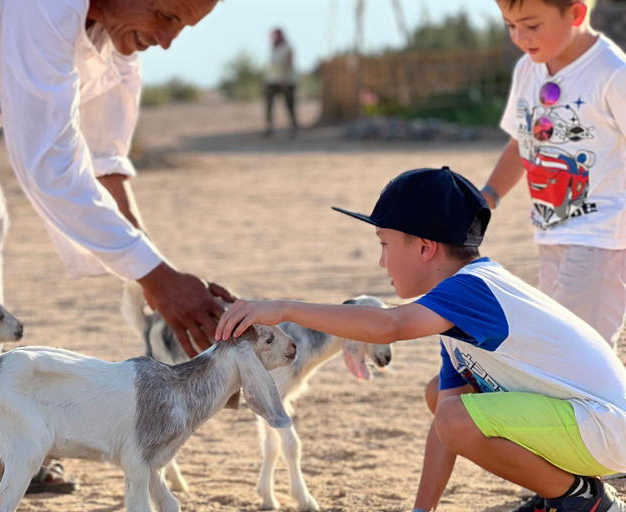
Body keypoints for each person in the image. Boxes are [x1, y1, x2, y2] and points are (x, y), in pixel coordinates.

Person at [0, 0, 231, 509]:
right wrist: (160, 280)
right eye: (166, 15)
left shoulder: (119, 44)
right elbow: (50, 164)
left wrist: (157, 281)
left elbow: (104, 167)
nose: (167, 40)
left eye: (182, 28)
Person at [215, 166, 626, 512]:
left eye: (384, 244)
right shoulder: (454, 310)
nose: (380, 260)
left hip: (605, 430)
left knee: (454, 415)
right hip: (588, 427)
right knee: (442, 398)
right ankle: (562, 492)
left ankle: (580, 499)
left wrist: (284, 309)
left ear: (426, 248)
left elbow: (388, 326)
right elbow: (444, 422)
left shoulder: (473, 289)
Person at [481, 0, 626, 351]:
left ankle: (603, 406)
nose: (519, 37)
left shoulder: (612, 72)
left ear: (576, 14)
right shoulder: (528, 69)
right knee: (561, 337)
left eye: (531, 25)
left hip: (601, 236)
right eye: (510, 25)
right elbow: (522, 141)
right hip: (550, 231)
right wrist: (489, 195)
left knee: (579, 347)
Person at [264, 28, 298, 137]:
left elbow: (289, 64)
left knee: (289, 105)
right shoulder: (273, 48)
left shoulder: (287, 48)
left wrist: (285, 79)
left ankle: (293, 128)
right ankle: (269, 128)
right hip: (272, 80)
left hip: (286, 81)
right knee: (269, 105)